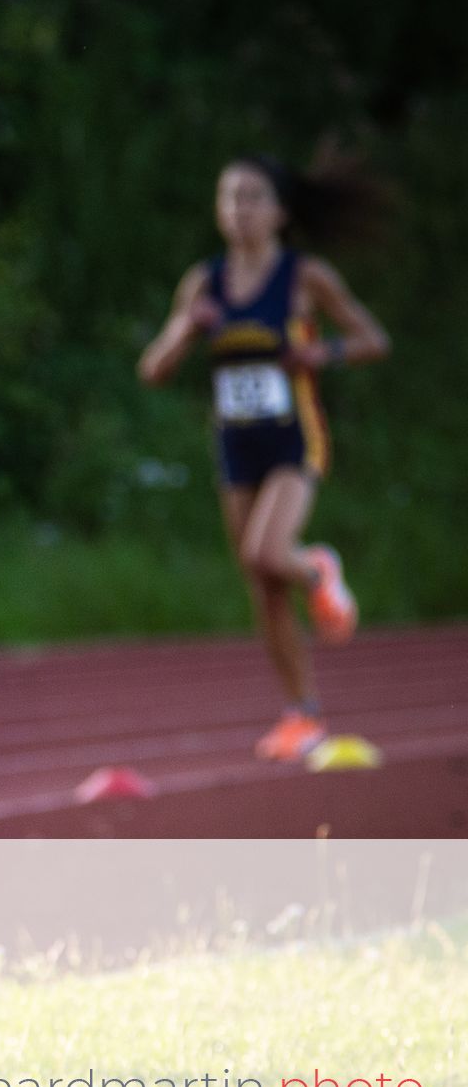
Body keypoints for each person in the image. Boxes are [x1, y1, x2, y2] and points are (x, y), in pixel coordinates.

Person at [138, 154, 391, 761]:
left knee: (267, 552)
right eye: (229, 197)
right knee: (262, 585)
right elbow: (153, 370)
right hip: (235, 445)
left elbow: (372, 339)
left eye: (252, 197)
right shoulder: (204, 283)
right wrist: (186, 329)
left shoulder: (305, 277)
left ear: (279, 212)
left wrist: (323, 354)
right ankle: (303, 714)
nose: (239, 209)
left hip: (292, 439)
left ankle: (318, 570)